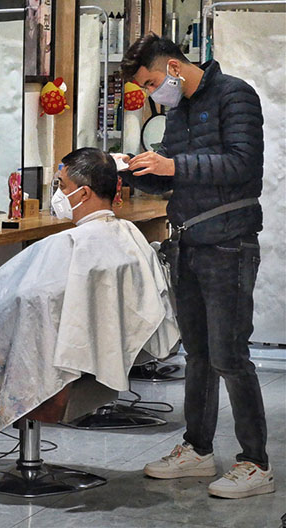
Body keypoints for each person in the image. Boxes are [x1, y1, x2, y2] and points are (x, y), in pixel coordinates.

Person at [0, 148, 179, 466]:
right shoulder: (126, 236)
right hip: (90, 362)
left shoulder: (75, 244)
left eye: (62, 186)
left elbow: (31, 300)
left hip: (54, 364)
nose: (58, 194)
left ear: (84, 193)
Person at [118, 33, 272, 499]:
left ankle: (255, 462)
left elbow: (243, 165)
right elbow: (174, 177)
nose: (150, 94)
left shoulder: (235, 94)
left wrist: (173, 167)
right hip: (186, 243)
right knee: (198, 357)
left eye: (150, 83)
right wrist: (134, 172)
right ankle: (197, 448)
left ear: (174, 68)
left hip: (230, 244)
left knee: (229, 355)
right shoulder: (177, 111)